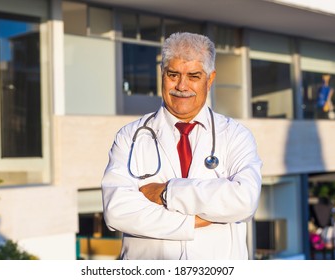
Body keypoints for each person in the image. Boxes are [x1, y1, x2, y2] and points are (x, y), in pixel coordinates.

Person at [101, 32, 262, 260]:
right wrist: (193, 220)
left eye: (194, 76)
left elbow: (244, 200)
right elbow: (117, 211)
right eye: (173, 74)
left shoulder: (236, 136)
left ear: (210, 79)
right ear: (162, 74)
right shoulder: (130, 136)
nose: (181, 86)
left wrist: (168, 192)